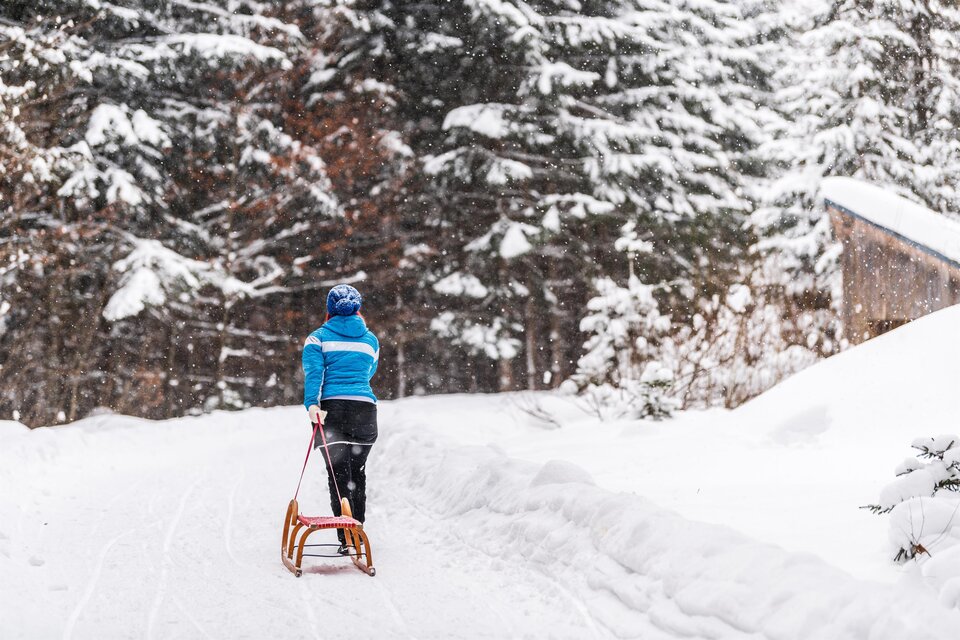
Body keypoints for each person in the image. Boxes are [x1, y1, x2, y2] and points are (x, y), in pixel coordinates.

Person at [302, 284, 379, 552]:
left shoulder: (317, 338)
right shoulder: (370, 340)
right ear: (357, 308)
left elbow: (315, 375)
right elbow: (368, 372)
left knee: (338, 475)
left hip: (331, 411)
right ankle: (357, 533)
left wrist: (312, 404)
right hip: (365, 410)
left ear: (329, 309)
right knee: (356, 473)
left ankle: (346, 538)